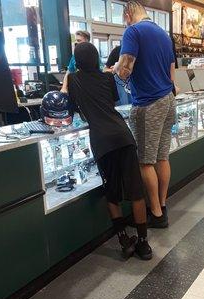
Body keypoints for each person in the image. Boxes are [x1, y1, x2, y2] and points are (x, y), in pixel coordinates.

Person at [68, 42, 152, 260]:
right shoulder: (107, 78)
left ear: (76, 61)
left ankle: (124, 240)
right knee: (136, 192)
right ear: (96, 58)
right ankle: (143, 244)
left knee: (112, 193)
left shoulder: (73, 79)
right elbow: (113, 101)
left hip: (101, 142)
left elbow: (71, 107)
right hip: (123, 137)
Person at [113, 1, 176, 229]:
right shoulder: (163, 34)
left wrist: (114, 73)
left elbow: (125, 69)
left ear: (128, 14)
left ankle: (156, 215)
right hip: (168, 100)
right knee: (162, 157)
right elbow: (171, 73)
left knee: (145, 162)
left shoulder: (133, 31)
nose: (125, 23)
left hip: (148, 104)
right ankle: (162, 204)